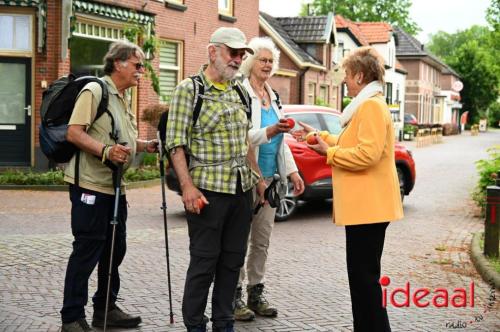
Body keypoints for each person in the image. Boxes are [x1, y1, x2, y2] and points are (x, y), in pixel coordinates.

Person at [165, 27, 264, 332]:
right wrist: (187, 187)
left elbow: (245, 141)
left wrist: (258, 180)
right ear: (213, 52)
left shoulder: (240, 92)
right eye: (233, 53)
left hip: (240, 191)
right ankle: (195, 326)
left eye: (241, 54)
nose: (238, 59)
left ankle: (224, 325)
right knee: (204, 264)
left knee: (232, 263)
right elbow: (175, 143)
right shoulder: (189, 89)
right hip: (207, 191)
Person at [60, 40, 158, 332]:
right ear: (119, 63)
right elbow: (74, 133)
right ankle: (72, 317)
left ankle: (106, 308)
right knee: (87, 250)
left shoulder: (122, 97)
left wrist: (144, 145)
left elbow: (121, 140)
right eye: (138, 65)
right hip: (91, 186)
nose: (142, 71)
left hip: (116, 188)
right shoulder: (95, 91)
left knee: (115, 250)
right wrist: (104, 152)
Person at [304, 46, 403, 332]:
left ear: (359, 76)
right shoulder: (368, 105)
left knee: (364, 282)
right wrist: (318, 137)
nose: (344, 81)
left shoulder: (370, 106)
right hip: (366, 209)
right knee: (362, 281)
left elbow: (367, 155)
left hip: (368, 209)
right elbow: (351, 142)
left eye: (347, 75)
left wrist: (329, 154)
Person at [234, 37, 304, 321]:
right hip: (245, 179)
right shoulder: (240, 93)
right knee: (238, 239)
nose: (267, 65)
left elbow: (281, 141)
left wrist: (293, 171)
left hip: (271, 181)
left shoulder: (273, 96)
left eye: (270, 61)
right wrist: (272, 130)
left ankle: (256, 292)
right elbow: (241, 138)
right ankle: (233, 295)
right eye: (262, 59)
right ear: (251, 62)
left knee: (261, 241)